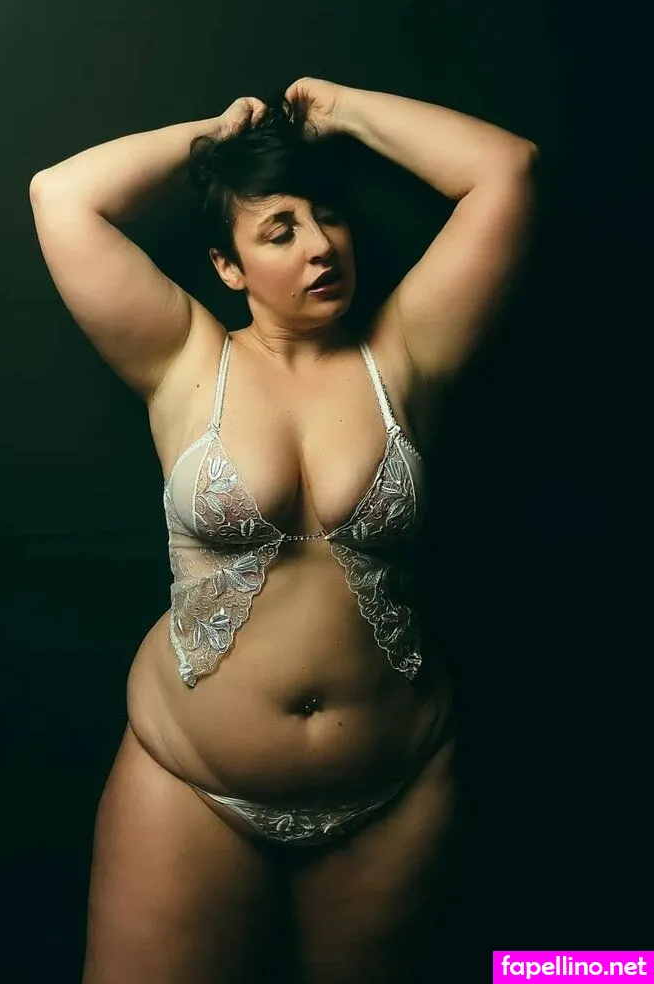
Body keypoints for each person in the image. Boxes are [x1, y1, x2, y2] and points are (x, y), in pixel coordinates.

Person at [28, 76, 538, 984]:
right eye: (279, 230)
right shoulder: (183, 357)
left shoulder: (408, 352)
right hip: (192, 786)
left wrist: (342, 114)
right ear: (228, 268)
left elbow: (506, 170)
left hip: (397, 787)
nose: (320, 245)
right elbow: (61, 195)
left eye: (328, 218)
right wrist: (217, 135)